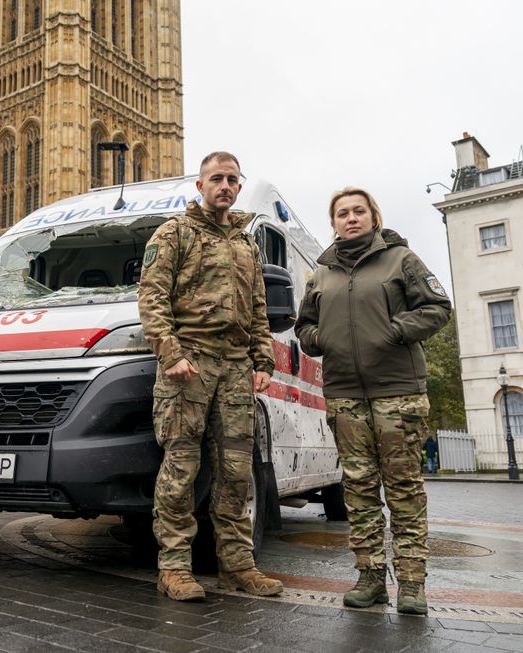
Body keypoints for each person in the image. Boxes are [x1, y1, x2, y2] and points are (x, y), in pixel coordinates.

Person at [295, 187, 451, 615]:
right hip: (345, 396)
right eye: (342, 213)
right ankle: (370, 578)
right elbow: (303, 327)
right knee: (359, 490)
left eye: (358, 211)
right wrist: (319, 338)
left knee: (404, 490)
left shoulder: (401, 259)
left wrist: (395, 330)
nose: (350, 218)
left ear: (373, 216)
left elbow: (438, 307)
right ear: (333, 223)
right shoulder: (321, 273)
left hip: (397, 392)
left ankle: (413, 584)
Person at [138, 151, 283, 602]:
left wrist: (263, 361)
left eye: (233, 180)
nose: (225, 185)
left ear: (239, 187)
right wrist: (171, 353)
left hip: (237, 367)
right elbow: (151, 296)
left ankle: (238, 567)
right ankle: (175, 567)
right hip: (190, 365)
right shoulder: (174, 233)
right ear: (199, 186)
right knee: (181, 468)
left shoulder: (245, 242)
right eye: (216, 178)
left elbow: (258, 307)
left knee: (237, 470)